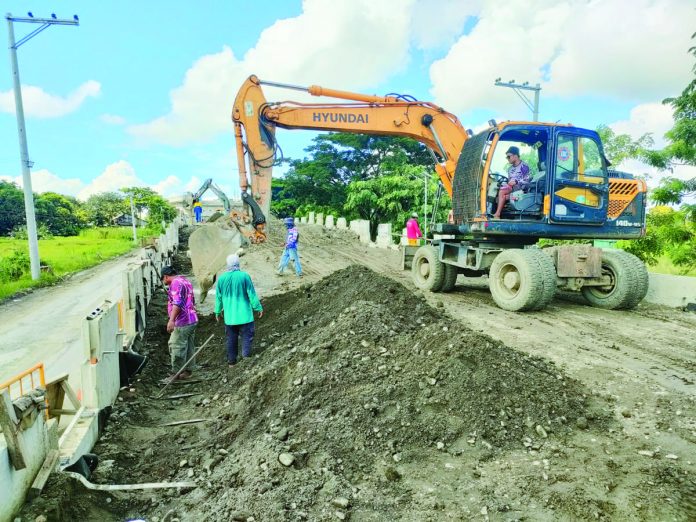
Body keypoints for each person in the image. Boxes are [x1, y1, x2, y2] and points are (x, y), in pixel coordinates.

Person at [215, 254, 263, 367]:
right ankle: (246, 360)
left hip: (230, 318)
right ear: (238, 263)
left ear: (227, 264)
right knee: (247, 337)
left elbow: (218, 297)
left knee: (231, 339)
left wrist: (217, 311)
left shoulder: (221, 279)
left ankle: (232, 362)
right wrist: (258, 307)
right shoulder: (244, 276)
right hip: (245, 316)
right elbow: (252, 294)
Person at [161, 266, 198, 380]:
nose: (163, 282)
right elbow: (191, 300)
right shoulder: (185, 281)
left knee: (176, 345)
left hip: (183, 321)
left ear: (166, 276)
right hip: (192, 319)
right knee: (188, 345)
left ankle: (175, 373)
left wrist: (172, 320)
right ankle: (188, 371)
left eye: (163, 279)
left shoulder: (175, 283)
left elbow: (177, 303)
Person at [492, 146, 531, 219]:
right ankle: (492, 212)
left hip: (522, 192)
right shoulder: (510, 169)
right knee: (496, 191)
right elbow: (509, 183)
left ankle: (497, 213)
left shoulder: (524, 167)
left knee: (503, 196)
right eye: (506, 157)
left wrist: (517, 181)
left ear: (515, 156)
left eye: (508, 157)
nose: (507, 159)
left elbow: (528, 182)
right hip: (512, 191)